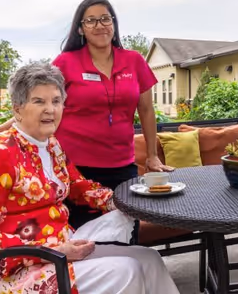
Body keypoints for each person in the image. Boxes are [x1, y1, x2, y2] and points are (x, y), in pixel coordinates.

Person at [0, 63, 179, 293]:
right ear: (17, 109)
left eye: (56, 101)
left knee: (149, 259)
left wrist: (117, 201)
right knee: (126, 270)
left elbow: (78, 185)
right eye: (39, 101)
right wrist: (54, 250)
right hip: (25, 268)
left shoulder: (52, 145)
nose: (50, 109)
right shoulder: (5, 153)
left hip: (66, 244)